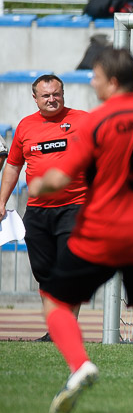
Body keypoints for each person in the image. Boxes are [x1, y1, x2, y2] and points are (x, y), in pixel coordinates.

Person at [27, 48, 133, 413]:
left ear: (112, 81)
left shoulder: (96, 121)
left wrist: (37, 185)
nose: (92, 82)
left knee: (53, 299)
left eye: (95, 76)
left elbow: (61, 177)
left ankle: (80, 364)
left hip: (103, 230)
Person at [0, 74, 89, 342]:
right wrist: (1, 201)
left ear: (63, 94)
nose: (52, 99)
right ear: (35, 98)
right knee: (45, 274)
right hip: (38, 211)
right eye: (46, 95)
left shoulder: (83, 121)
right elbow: (13, 165)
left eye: (56, 94)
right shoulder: (25, 126)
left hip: (76, 207)